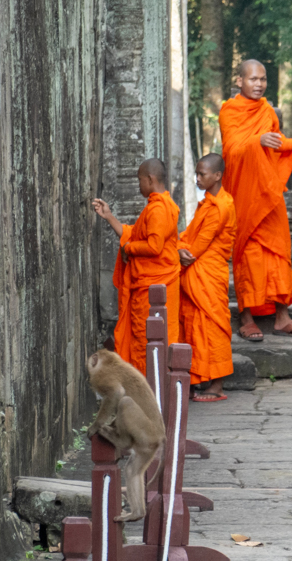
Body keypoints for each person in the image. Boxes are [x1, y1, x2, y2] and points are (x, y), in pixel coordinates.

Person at [219, 59, 292, 341]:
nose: (259, 84)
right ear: (239, 81)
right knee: (248, 255)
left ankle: (282, 316)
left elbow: (275, 141)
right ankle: (246, 316)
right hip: (244, 193)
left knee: (278, 253)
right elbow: (231, 149)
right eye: (253, 79)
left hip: (268, 192)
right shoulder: (229, 111)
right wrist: (257, 141)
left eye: (263, 79)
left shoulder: (266, 110)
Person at [92, 159, 181, 375]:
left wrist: (129, 249)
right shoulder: (162, 205)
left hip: (153, 287)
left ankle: (150, 391)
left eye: (140, 180)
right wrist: (109, 216)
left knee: (147, 340)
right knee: (155, 338)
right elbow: (134, 234)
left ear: (150, 179)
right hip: (157, 284)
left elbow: (154, 246)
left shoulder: (158, 209)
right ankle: (156, 389)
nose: (138, 185)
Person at [178, 153, 237, 402]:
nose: (198, 178)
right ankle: (198, 378)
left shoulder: (219, 206)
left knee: (212, 325)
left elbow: (195, 249)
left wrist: (177, 247)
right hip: (200, 272)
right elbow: (189, 235)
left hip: (208, 271)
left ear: (217, 175)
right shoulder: (209, 202)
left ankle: (217, 385)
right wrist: (179, 244)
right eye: (197, 173)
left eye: (202, 174)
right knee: (193, 325)